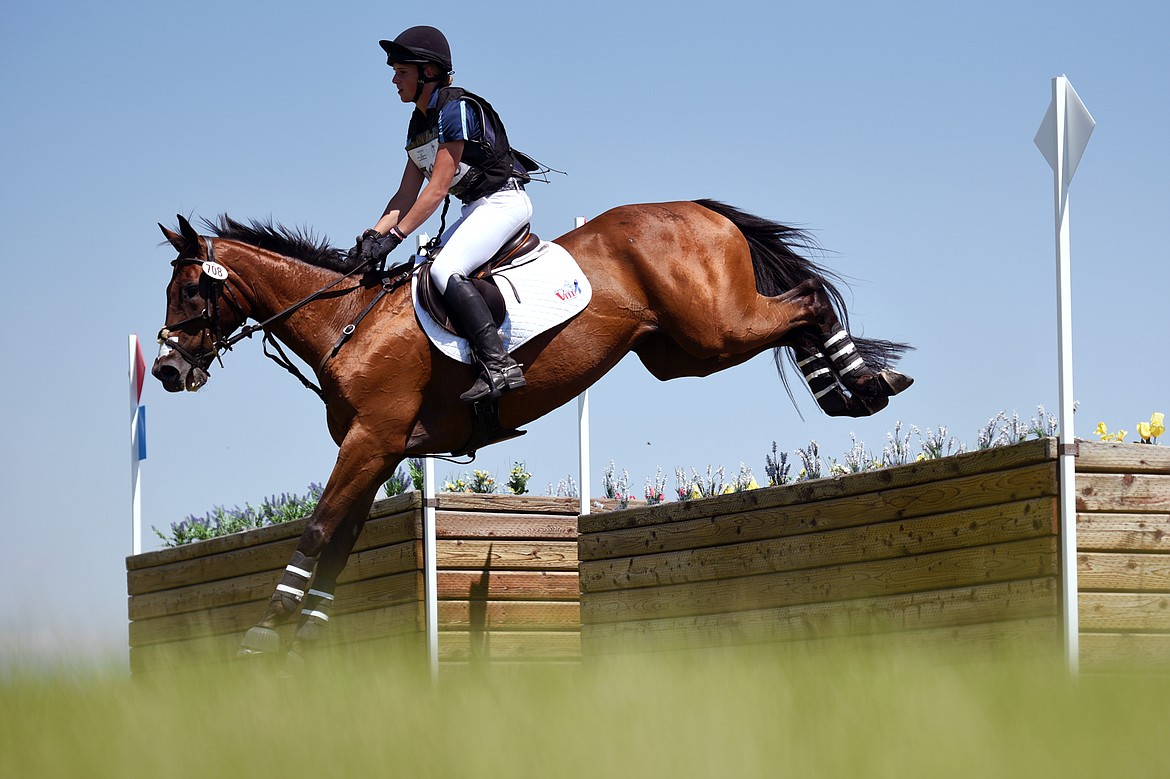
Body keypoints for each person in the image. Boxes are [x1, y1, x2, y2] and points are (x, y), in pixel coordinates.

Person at [355, 25, 533, 404]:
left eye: (401, 71)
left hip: (504, 202)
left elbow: (436, 189)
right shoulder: (418, 124)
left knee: (442, 269)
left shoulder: (457, 111)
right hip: (477, 208)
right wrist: (372, 237)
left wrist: (396, 237)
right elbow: (405, 194)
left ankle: (499, 364)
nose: (394, 79)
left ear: (428, 73)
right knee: (421, 271)